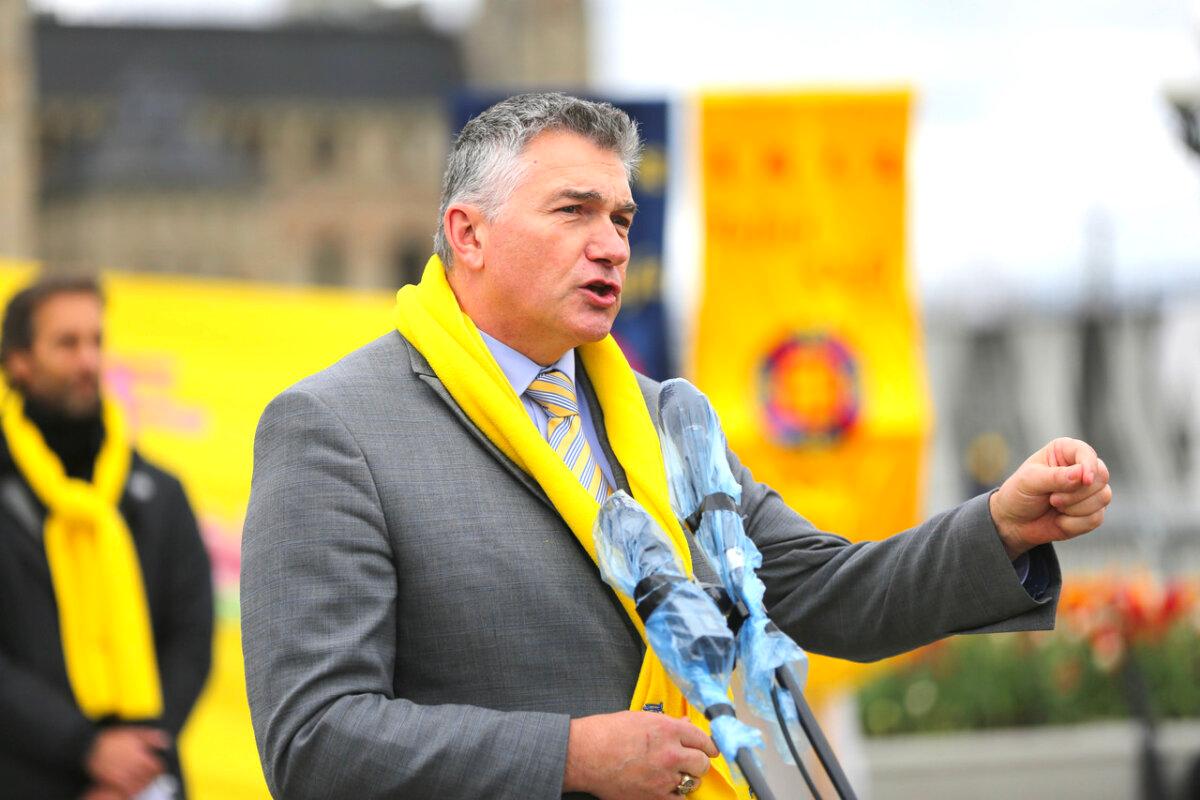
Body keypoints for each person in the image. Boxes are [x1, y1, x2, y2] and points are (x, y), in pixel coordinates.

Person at [241, 93, 1112, 800]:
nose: (612, 245)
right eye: (575, 211)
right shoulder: (336, 429)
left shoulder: (664, 421)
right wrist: (571, 756)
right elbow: (317, 738)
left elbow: (828, 592)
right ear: (468, 235)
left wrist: (1003, 525)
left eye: (622, 217)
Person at [0, 276, 213, 800]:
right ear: (19, 362)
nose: (88, 361)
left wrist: (135, 765)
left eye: (96, 341)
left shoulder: (158, 492)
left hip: (147, 783)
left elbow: (190, 638)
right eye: (66, 343)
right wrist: (83, 749)